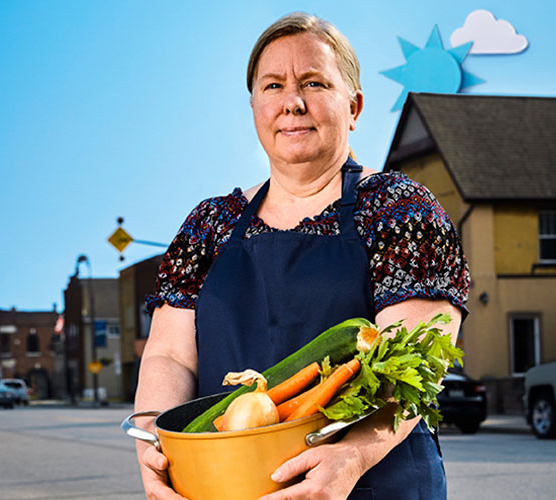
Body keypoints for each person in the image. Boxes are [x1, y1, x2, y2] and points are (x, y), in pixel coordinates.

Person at [135, 12, 470, 500]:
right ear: (253, 106)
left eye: (313, 83)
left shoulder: (402, 210)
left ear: (353, 106)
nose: (291, 103)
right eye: (272, 86)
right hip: (224, 484)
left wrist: (350, 456)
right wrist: (153, 448)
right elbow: (168, 356)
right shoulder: (208, 226)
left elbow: (417, 359)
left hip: (374, 482)